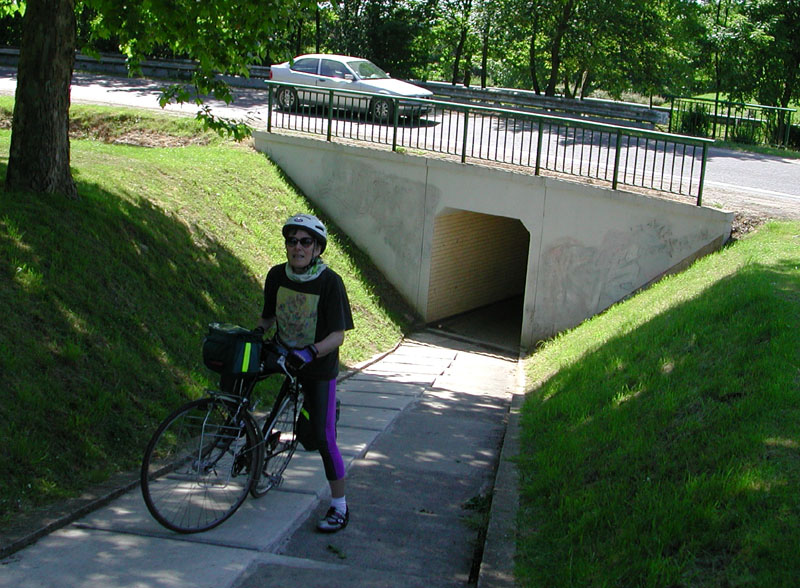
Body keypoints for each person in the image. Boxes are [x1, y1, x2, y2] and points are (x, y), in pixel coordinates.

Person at [255, 213, 354, 533]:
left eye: (305, 242)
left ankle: (339, 505)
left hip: (317, 364)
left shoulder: (329, 282)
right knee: (239, 374)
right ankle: (247, 439)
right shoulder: (276, 276)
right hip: (283, 351)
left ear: (317, 248)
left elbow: (338, 336)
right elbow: (268, 318)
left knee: (323, 437)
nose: (297, 247)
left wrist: (310, 352)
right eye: (291, 240)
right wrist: (253, 336)